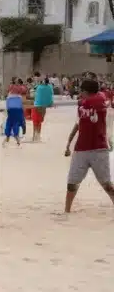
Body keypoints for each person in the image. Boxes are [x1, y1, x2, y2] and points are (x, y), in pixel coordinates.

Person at [63, 77, 114, 214]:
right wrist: (69, 142)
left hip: (99, 149)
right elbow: (78, 124)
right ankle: (67, 210)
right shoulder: (84, 105)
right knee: (72, 182)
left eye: (81, 91)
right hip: (81, 149)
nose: (80, 94)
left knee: (107, 184)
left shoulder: (98, 101)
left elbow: (100, 101)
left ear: (86, 91)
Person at [2, 80, 24, 146]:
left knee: (9, 124)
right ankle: (17, 138)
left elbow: (7, 107)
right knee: (16, 124)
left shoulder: (9, 97)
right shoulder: (20, 97)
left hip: (11, 112)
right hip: (17, 112)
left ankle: (7, 138)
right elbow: (21, 107)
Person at [32, 77, 54, 142]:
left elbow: (34, 91)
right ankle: (38, 135)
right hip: (44, 106)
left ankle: (34, 136)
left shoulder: (39, 87)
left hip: (37, 105)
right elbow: (51, 94)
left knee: (35, 122)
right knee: (39, 121)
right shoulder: (49, 87)